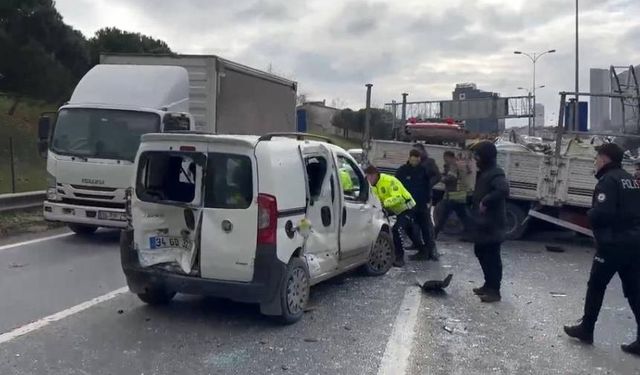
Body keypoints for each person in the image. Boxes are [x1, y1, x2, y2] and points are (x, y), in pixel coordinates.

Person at [564, 143, 640, 355]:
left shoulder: (608, 181)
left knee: (596, 285)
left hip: (614, 244)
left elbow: (603, 213)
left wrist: (590, 215)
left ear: (605, 159)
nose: (595, 161)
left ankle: (586, 329)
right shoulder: (629, 179)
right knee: (635, 290)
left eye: (597, 157)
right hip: (634, 243)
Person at [469, 141, 509, 303]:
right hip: (483, 224)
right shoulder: (485, 172)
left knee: (492, 257)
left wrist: (486, 201)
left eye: (477, 156)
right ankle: (488, 284)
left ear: (485, 157)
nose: (475, 159)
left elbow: (503, 189)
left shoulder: (496, 173)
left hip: (493, 225)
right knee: (480, 252)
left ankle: (494, 291)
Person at [365, 165, 424, 267]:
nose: (369, 180)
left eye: (370, 177)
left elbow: (398, 198)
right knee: (410, 231)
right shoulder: (373, 185)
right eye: (367, 177)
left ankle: (399, 258)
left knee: (397, 229)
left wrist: (384, 203)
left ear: (375, 175)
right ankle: (423, 250)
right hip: (396, 209)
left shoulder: (389, 181)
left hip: (407, 208)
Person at [396, 149, 438, 261]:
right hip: (408, 205)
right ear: (409, 158)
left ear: (420, 159)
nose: (415, 161)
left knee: (426, 228)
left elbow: (428, 185)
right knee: (409, 228)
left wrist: (429, 199)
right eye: (413, 158)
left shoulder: (424, 170)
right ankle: (422, 249)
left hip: (421, 204)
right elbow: (396, 185)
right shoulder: (403, 170)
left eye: (417, 159)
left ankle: (429, 251)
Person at [408, 143, 441, 259]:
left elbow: (438, 176)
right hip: (414, 197)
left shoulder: (429, 162)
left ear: (423, 151)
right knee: (414, 223)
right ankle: (419, 246)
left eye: (417, 151)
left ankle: (431, 250)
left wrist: (428, 184)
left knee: (426, 224)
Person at [434, 151, 470, 239]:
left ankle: (434, 233)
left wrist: (440, 178)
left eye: (445, 158)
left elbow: (450, 178)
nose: (444, 161)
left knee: (443, 214)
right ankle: (470, 233)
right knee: (463, 216)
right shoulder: (459, 163)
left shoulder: (453, 165)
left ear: (448, 157)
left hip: (453, 194)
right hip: (460, 193)